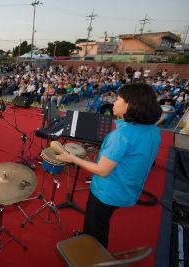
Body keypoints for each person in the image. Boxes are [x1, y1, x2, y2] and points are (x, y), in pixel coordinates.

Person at [56, 83, 162, 248]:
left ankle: (92, 253)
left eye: (118, 99)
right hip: (129, 188)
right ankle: (86, 237)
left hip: (108, 192)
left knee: (97, 227)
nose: (113, 102)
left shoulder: (121, 135)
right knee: (98, 222)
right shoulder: (152, 129)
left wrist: (73, 158)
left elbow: (102, 170)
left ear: (130, 104)